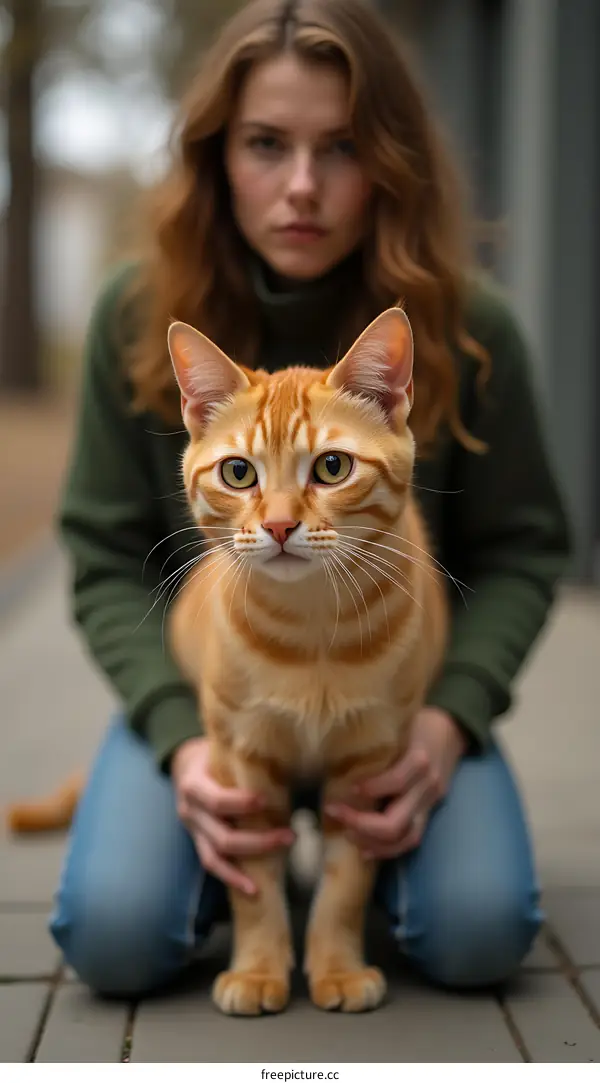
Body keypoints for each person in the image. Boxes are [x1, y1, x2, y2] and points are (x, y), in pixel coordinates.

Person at [49, 0, 570, 999]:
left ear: (390, 158)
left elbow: (527, 548)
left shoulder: (469, 323)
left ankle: (355, 866)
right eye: (264, 144)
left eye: (339, 147)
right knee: (111, 938)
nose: (301, 185)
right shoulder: (137, 309)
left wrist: (451, 719)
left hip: (399, 690)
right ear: (215, 154)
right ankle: (213, 854)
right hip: (214, 690)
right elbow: (104, 555)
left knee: (478, 936)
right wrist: (177, 737)